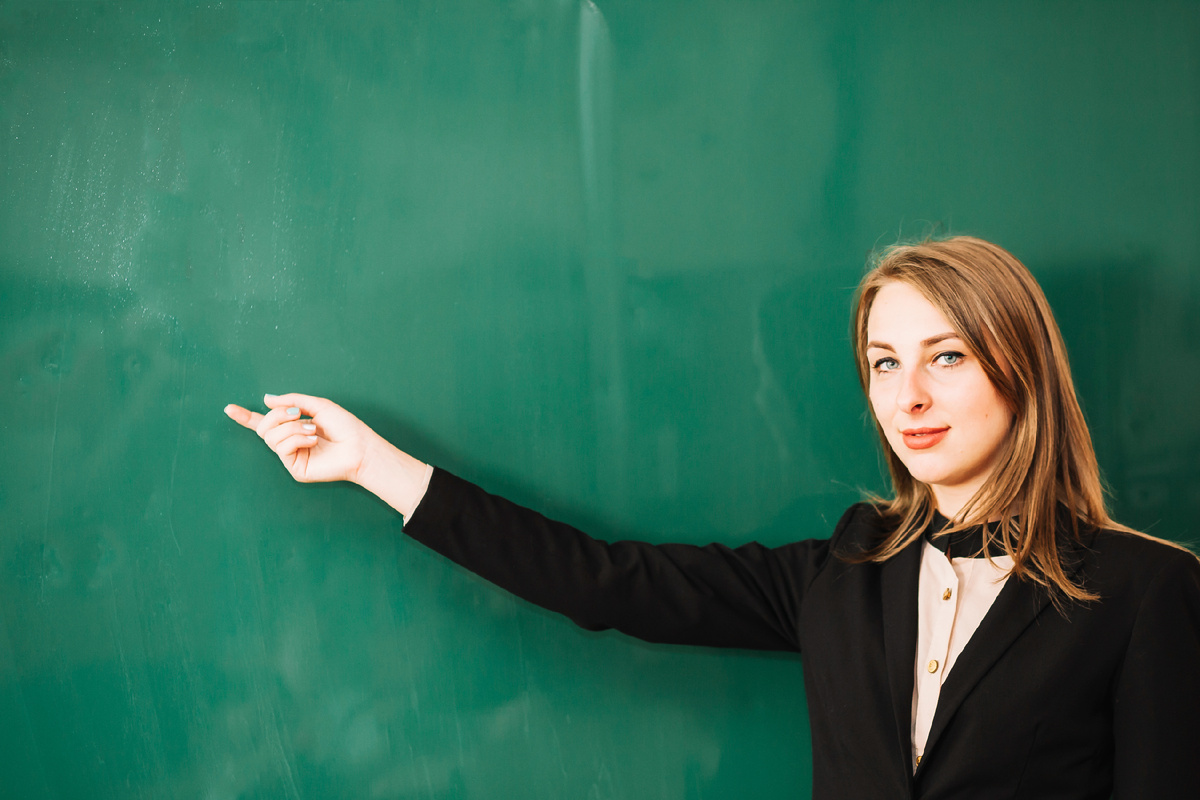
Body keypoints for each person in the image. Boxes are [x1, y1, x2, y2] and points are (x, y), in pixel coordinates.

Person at [224, 236, 1200, 799]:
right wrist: (377, 466)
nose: (909, 395)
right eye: (884, 362)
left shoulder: (1148, 589)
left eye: (946, 356)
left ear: (1020, 367)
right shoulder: (843, 570)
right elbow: (606, 582)